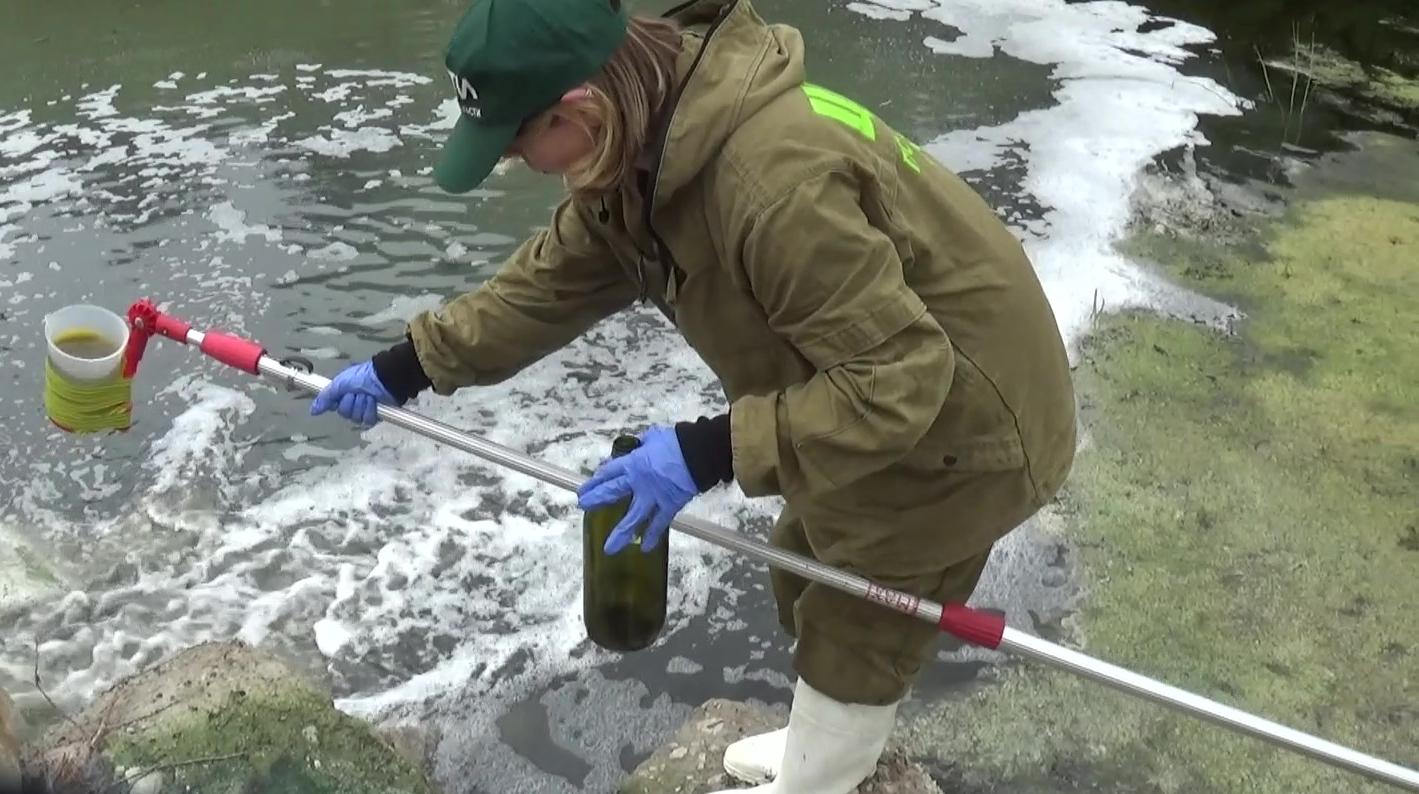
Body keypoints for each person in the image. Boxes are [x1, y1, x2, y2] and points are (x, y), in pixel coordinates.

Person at [311, 0, 1078, 789]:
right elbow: (549, 284)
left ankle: (821, 777)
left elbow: (900, 381)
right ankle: (819, 742)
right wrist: (409, 365)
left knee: (858, 612)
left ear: (580, 109)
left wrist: (707, 450)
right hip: (883, 373)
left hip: (973, 420)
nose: (515, 163)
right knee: (804, 562)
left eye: (515, 143)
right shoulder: (645, 150)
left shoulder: (771, 184)